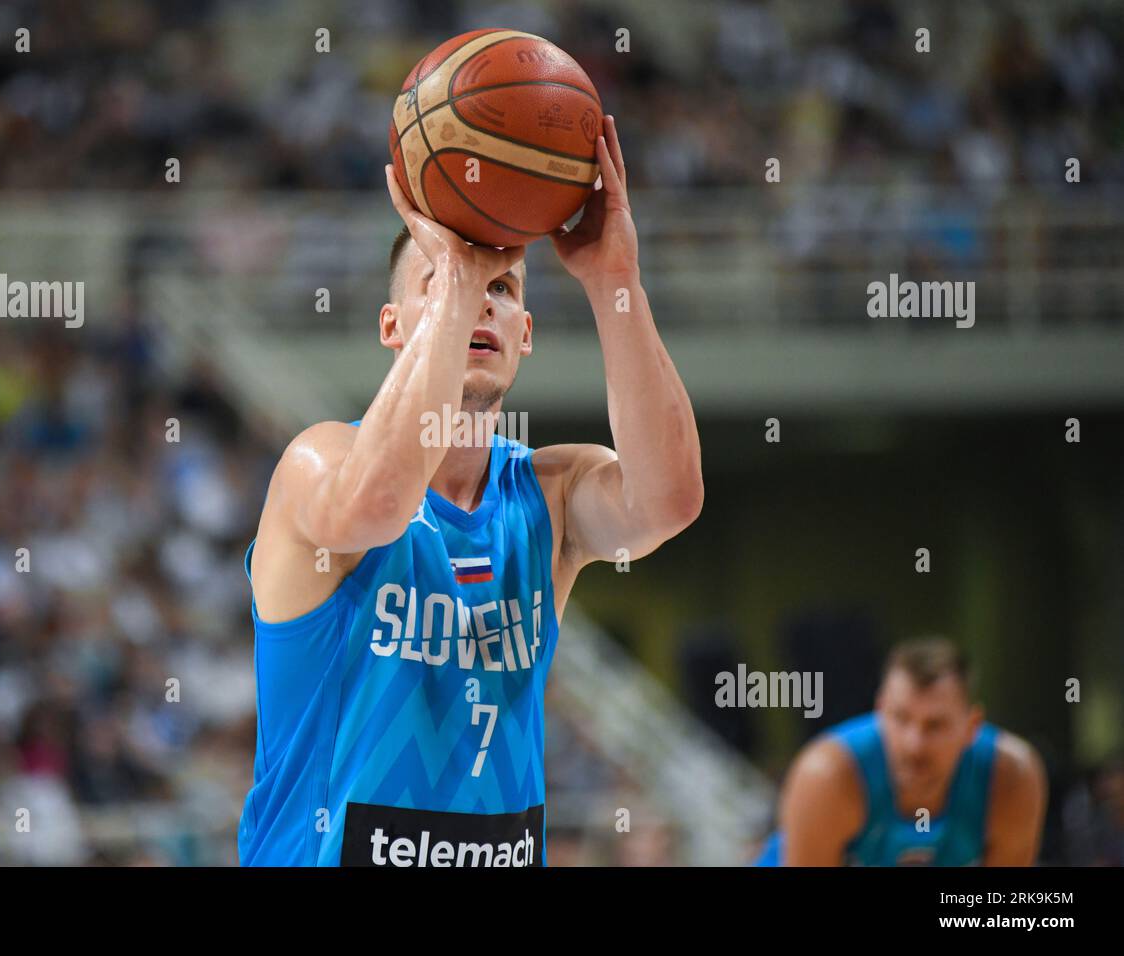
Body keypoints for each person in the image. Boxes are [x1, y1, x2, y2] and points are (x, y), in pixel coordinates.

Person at [238, 115, 703, 866]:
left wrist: (615, 279)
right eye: (446, 279)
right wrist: (461, 275)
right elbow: (378, 507)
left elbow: (670, 500)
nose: (481, 296)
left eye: (504, 287)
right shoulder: (317, 462)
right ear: (394, 327)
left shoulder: (546, 494)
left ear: (525, 334)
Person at [756, 637, 1047, 866]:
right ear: (880, 711)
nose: (914, 744)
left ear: (971, 726)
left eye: (935, 725)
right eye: (900, 718)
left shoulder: (1011, 778)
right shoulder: (827, 776)